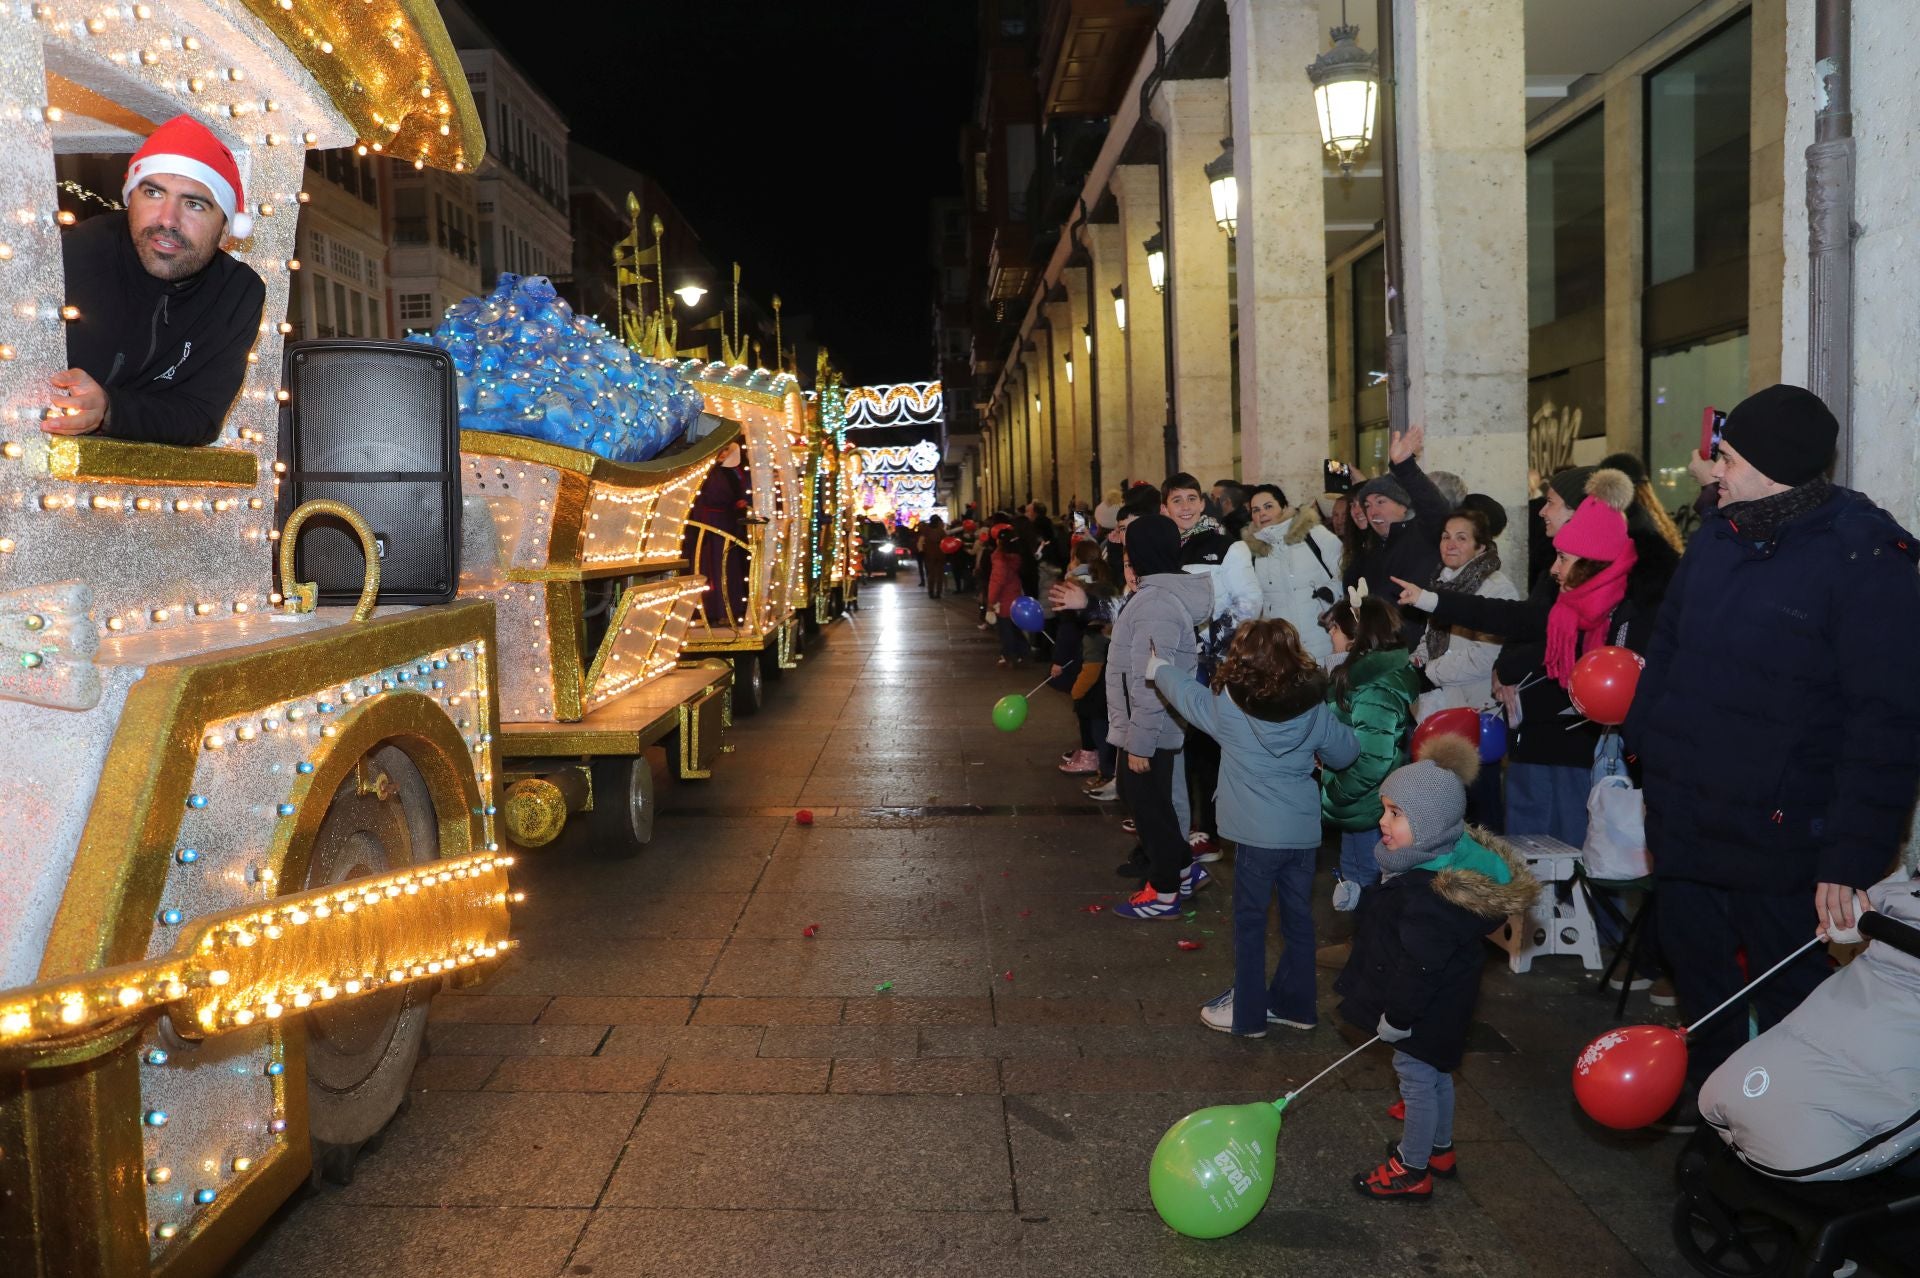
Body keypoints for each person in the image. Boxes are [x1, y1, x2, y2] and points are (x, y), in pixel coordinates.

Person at [1626, 383, 1920, 1123]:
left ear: (1771, 463)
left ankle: (1789, 1144)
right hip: (1689, 825)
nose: (1710, 469)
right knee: (1701, 993)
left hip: (1784, 842)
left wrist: (1851, 858)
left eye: (1724, 456)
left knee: (1795, 1009)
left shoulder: (1864, 556)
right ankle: (1713, 1125)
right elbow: (1666, 653)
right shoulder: (1720, 536)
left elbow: (1886, 720)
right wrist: (1647, 750)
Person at [1391, 470, 1653, 850]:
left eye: (1563, 559)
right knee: (1530, 857)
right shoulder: (1565, 605)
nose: (1553, 568)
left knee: (1584, 853)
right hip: (1534, 740)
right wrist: (1428, 599)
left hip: (1585, 756)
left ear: (1590, 561)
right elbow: (1505, 617)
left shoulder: (1629, 613)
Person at [1336, 737, 1540, 1200]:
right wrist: (1361, 898)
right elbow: (1396, 916)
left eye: (1395, 814)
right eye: (1385, 809)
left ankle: (1412, 1168)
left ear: (1429, 825)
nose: (1381, 822)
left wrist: (1397, 1019)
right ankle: (1440, 1150)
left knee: (1416, 1080)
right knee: (1437, 1072)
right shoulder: (1435, 863)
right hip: (1449, 1003)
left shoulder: (1430, 898)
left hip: (1422, 1009)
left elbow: (1419, 966)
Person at [1149, 619, 1358, 1036]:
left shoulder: (1230, 705)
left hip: (1254, 835)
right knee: (1298, 921)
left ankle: (1247, 1015)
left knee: (1250, 924)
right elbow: (1346, 753)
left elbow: (1189, 698)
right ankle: (1297, 1007)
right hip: (1300, 835)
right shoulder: (1312, 707)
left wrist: (1158, 669)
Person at [52, 115, 266, 445]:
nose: (167, 219)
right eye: (153, 193)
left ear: (226, 229)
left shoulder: (237, 294)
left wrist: (110, 408)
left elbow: (200, 416)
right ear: (129, 200)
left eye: (194, 204)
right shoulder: (74, 256)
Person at [1105, 514, 1216, 919]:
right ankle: (1184, 870)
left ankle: (1165, 891)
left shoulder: (1155, 604)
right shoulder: (1154, 595)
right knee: (1151, 804)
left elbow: (1150, 678)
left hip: (1147, 727)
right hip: (1147, 725)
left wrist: (1139, 742)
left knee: (1149, 808)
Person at [1319, 594, 1420, 911]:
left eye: (1334, 630)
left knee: (1370, 883)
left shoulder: (1374, 688)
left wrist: (1337, 791)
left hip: (1366, 802)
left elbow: (1373, 760)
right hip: (1361, 805)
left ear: (1354, 637)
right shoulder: (1362, 680)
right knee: (1356, 878)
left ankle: (1371, 952)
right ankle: (1360, 947)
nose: (1329, 637)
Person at [1345, 425, 1451, 642]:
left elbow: (1435, 507)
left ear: (1404, 506)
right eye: (1368, 504)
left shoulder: (1424, 534)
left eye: (1381, 502)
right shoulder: (1371, 548)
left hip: (1416, 651)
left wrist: (1405, 466)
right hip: (1379, 647)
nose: (1372, 510)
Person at [1216, 482, 1343, 662]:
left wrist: (1332, 591)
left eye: (1268, 506)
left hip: (1325, 640)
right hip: (1283, 650)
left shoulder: (1313, 534)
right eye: (1256, 510)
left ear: (1284, 507)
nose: (1262, 514)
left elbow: (1345, 568)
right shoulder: (1253, 551)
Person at [1412, 509, 1518, 721]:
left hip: (1477, 704)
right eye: (1446, 537)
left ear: (1480, 548)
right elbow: (1434, 634)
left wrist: (1430, 671)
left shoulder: (1497, 589)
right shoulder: (1443, 582)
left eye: (1461, 538)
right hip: (1442, 699)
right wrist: (1417, 659)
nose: (1450, 544)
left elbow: (1488, 655)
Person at [987, 523, 1029, 667]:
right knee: (1015, 628)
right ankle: (1022, 652)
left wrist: (990, 601)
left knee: (1006, 630)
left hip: (1004, 600)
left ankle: (1010, 655)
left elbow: (996, 582)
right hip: (1014, 595)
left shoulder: (1000, 561)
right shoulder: (1016, 557)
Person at [917, 516, 948, 599]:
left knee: (932, 574)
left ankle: (933, 592)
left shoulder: (926, 531)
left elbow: (920, 542)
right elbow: (946, 541)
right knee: (938, 575)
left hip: (930, 554)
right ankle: (937, 592)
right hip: (938, 554)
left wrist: (921, 551)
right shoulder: (941, 531)